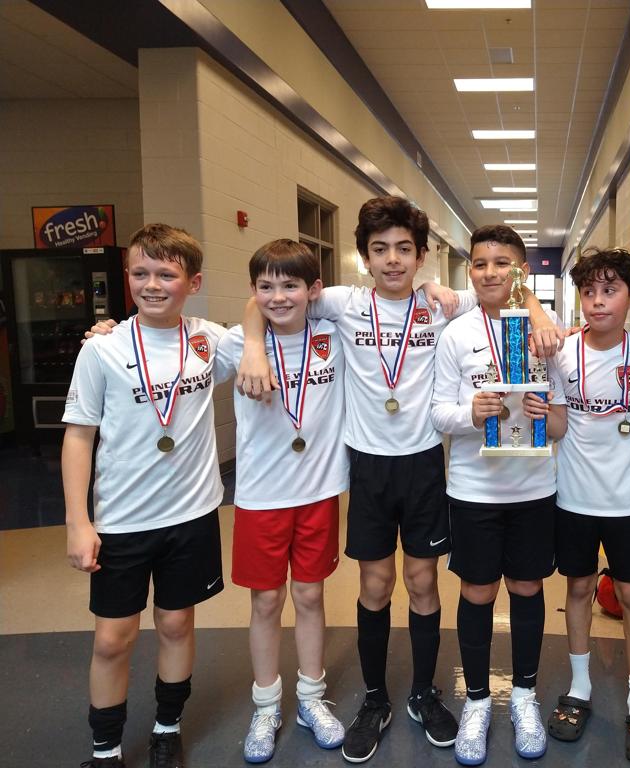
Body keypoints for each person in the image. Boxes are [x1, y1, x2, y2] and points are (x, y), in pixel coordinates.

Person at [235, 197, 560, 764]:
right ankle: (375, 700)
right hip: (367, 464)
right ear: (363, 257)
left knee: (423, 581)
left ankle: (422, 695)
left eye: (404, 249)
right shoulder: (342, 302)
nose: (392, 260)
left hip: (424, 463)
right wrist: (254, 345)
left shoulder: (442, 304)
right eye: (380, 249)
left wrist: (537, 310)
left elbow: (507, 286)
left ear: (422, 255)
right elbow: (264, 297)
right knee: (376, 583)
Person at [63, 223, 230, 768]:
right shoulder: (103, 349)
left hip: (192, 514)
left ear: (193, 282)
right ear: (127, 277)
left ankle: (166, 728)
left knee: (177, 624)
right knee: (113, 638)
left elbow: (272, 317)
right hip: (122, 519)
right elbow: (79, 436)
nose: (152, 285)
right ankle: (105, 750)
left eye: (166, 274)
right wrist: (78, 521)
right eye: (140, 273)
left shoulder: (209, 339)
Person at [431, 224, 568, 766]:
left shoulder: (544, 333)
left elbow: (560, 421)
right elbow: (438, 413)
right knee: (478, 591)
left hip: (534, 488)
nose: (490, 273)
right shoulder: (456, 335)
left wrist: (544, 414)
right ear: (470, 270)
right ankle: (478, 701)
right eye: (480, 263)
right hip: (474, 489)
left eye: (502, 262)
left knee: (527, 586)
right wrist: (471, 413)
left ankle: (526, 697)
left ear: (521, 271)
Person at [213, 239, 347, 763]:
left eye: (290, 285)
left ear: (313, 290)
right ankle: (266, 706)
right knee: (266, 601)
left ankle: (311, 698)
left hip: (318, 492)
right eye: (265, 287)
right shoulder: (233, 343)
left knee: (310, 596)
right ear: (253, 290)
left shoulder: (333, 334)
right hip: (261, 497)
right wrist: (107, 330)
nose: (278, 296)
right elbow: (173, 343)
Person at [544, 247, 630, 763]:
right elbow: (556, 428)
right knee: (578, 589)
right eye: (589, 291)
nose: (597, 302)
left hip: (629, 502)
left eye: (610, 291)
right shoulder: (561, 353)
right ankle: (580, 687)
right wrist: (539, 410)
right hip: (573, 497)